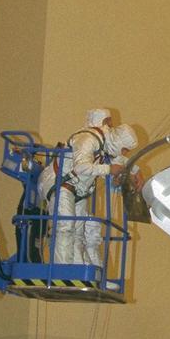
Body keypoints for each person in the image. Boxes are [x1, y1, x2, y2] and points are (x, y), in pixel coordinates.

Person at [37, 109, 140, 266]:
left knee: (78, 231)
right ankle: (62, 271)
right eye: (124, 148)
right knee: (65, 227)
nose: (124, 152)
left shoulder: (103, 148)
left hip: (76, 190)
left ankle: (78, 270)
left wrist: (135, 172)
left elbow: (119, 162)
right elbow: (81, 168)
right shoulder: (87, 139)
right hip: (59, 184)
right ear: (118, 141)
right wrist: (109, 170)